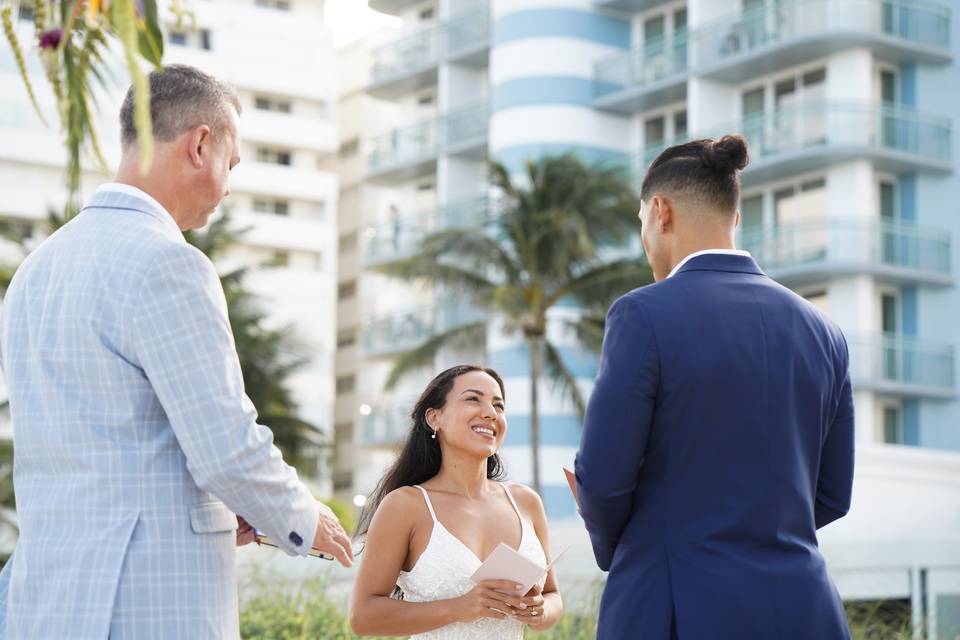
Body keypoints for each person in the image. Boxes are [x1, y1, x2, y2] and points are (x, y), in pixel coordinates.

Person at [0, 64, 353, 639]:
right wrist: (303, 517)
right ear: (200, 144)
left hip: (42, 603)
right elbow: (225, 447)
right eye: (231, 165)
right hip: (144, 603)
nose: (229, 187)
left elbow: (105, 440)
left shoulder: (35, 270)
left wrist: (229, 503)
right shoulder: (168, 262)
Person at [575, 135, 854, 639]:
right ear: (735, 218)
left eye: (640, 221)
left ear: (660, 211)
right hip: (805, 609)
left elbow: (601, 479)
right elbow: (832, 493)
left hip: (678, 605)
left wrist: (631, 542)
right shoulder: (825, 332)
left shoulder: (642, 314)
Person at [349, 365, 563, 639]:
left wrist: (540, 611)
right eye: (473, 399)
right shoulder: (405, 505)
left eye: (498, 406)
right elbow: (363, 617)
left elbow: (552, 596)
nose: (490, 413)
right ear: (434, 417)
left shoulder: (525, 502)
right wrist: (459, 607)